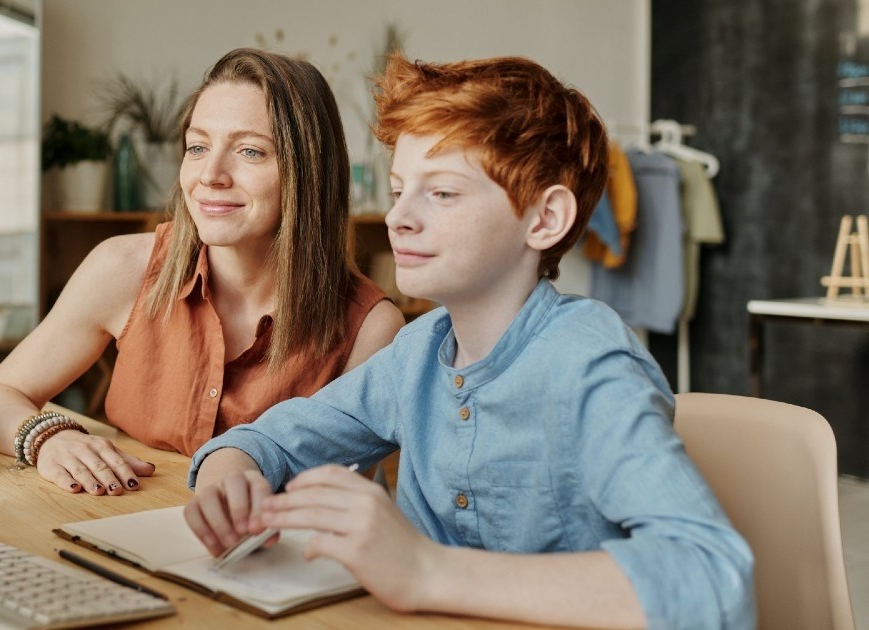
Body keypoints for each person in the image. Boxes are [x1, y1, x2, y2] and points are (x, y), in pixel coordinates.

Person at [185, 54, 755, 629]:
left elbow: (712, 578)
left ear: (545, 218)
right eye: (399, 189)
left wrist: (424, 570)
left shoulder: (590, 363)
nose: (398, 218)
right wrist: (227, 480)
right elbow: (274, 440)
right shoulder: (418, 351)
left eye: (443, 194)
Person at [0, 48, 404, 498]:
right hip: (104, 532)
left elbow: (338, 496)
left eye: (250, 151)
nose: (210, 174)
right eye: (197, 147)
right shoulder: (123, 268)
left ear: (308, 171)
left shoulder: (370, 328)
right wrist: (50, 438)